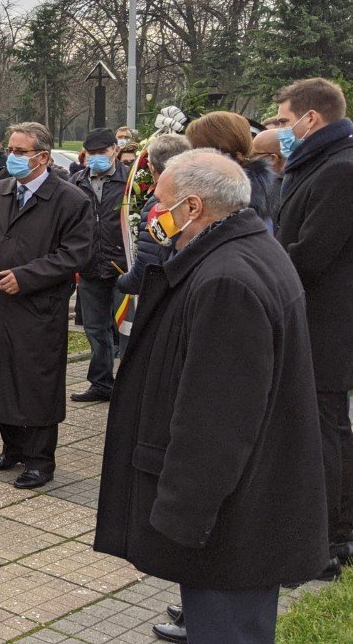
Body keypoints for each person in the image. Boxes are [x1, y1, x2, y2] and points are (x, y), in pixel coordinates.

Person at [95, 149, 327, 644]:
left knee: (227, 629)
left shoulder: (226, 280)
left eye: (159, 202)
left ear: (194, 207)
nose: (151, 213)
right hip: (246, 502)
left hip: (230, 520)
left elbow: (217, 420)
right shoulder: (247, 249)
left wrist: (181, 513)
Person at [0, 122, 92, 489]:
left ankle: (39, 460)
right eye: (10, 149)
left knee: (37, 383)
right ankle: (12, 448)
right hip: (0, 304)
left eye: (20, 152)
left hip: (39, 306)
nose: (12, 157)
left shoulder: (70, 199)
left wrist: (28, 276)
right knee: (1, 376)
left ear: (43, 157)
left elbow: (75, 254)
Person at [272, 78, 353, 580]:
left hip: (328, 324)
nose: (278, 129)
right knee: (324, 426)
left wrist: (259, 265)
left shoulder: (341, 169)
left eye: (283, 121)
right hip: (314, 317)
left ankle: (330, 539)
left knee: (326, 430)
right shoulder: (320, 161)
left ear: (311, 119)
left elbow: (313, 253)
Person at [66, 128, 129, 404]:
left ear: (115, 150)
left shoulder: (130, 180)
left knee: (127, 328)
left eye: (102, 152)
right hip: (91, 267)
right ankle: (101, 382)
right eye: (91, 153)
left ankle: (130, 385)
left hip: (123, 268)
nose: (96, 158)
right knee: (95, 329)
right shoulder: (77, 182)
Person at [116, 134, 192, 297]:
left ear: (151, 167)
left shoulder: (159, 204)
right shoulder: (197, 194)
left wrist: (122, 282)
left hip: (166, 292)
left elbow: (147, 265)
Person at [184, 111, 280, 229]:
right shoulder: (261, 189)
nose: (190, 156)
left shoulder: (230, 201)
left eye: (193, 149)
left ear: (209, 151)